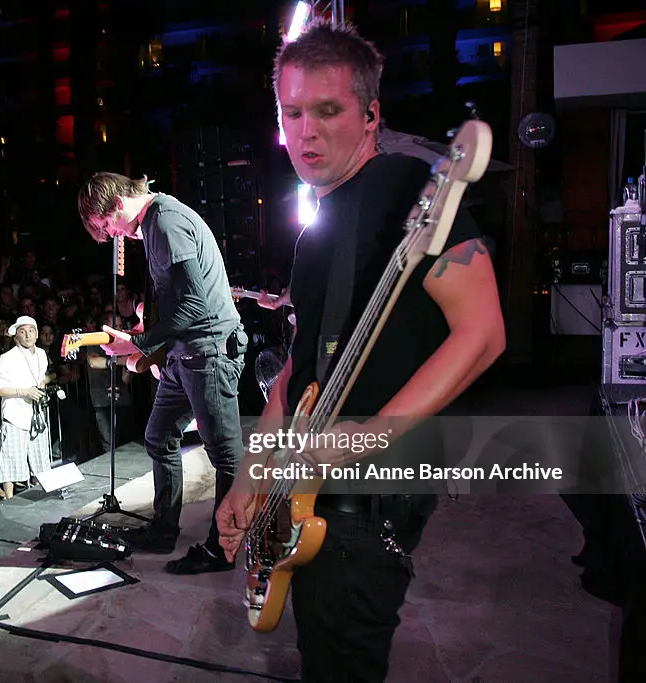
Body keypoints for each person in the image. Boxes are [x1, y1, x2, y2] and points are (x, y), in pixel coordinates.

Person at [215, 21, 506, 682]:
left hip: (362, 508)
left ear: (372, 114)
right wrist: (250, 476)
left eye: (328, 110)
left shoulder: (408, 189)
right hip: (308, 498)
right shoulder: (318, 231)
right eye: (292, 112)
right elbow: (297, 375)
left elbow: (484, 331)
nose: (306, 131)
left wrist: (371, 434)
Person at [77, 171, 247, 575]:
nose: (115, 236)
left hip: (208, 352)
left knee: (225, 455)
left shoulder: (165, 222)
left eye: (107, 227)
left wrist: (137, 345)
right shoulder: (155, 223)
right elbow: (178, 306)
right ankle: (164, 528)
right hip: (184, 355)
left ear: (117, 205)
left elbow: (194, 308)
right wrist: (138, 334)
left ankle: (222, 549)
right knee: (159, 436)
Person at [0, 316, 53, 500]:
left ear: (37, 333)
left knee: (41, 457)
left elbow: (41, 379)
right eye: (23, 331)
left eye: (31, 330)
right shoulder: (7, 358)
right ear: (16, 335)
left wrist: (42, 387)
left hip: (36, 416)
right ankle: (9, 499)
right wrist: (24, 392)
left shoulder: (41, 354)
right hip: (15, 416)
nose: (28, 335)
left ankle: (44, 493)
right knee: (11, 459)